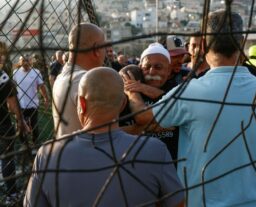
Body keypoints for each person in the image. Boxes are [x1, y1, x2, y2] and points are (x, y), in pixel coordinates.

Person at [123, 10, 256, 206]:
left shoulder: (193, 91)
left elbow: (143, 118)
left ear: (203, 45)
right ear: (242, 43)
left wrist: (131, 91)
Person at [24, 67, 184, 207]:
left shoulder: (48, 154)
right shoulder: (154, 150)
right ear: (122, 104)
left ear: (82, 103)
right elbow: (178, 203)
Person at [52, 22, 106, 137]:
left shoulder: (61, 77)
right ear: (96, 49)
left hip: (65, 150)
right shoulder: (85, 80)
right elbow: (103, 135)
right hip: (86, 153)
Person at [0, 58, 28, 204]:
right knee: (7, 158)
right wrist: (20, 120)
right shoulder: (2, 76)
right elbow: (12, 103)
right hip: (3, 124)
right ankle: (11, 194)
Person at [13, 55, 49, 144]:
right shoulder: (15, 72)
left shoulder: (36, 72)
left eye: (27, 60)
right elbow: (13, 87)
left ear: (31, 61)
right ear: (19, 62)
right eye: (23, 60)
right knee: (20, 126)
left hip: (33, 104)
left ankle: (35, 143)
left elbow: (41, 86)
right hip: (20, 105)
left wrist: (46, 98)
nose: (25, 62)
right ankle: (24, 144)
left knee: (34, 125)